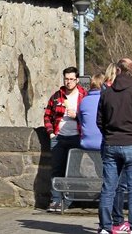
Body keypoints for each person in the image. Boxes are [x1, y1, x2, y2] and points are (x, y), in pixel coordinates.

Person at [96, 58, 132, 234]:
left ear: (117, 71)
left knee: (108, 188)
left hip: (111, 143)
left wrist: (109, 135)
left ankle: (105, 227)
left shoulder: (106, 94)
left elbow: (99, 121)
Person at [43, 66, 87, 212]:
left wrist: (77, 116)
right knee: (57, 169)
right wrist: (51, 132)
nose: (69, 82)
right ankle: (55, 201)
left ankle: (68, 201)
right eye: (66, 79)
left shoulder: (83, 96)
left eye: (72, 79)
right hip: (59, 137)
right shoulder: (57, 96)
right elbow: (47, 115)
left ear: (77, 80)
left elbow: (89, 118)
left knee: (72, 170)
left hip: (76, 137)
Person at [79, 74, 105, 151]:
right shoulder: (107, 100)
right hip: (104, 143)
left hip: (86, 143)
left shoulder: (83, 101)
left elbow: (81, 121)